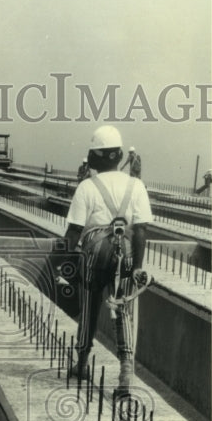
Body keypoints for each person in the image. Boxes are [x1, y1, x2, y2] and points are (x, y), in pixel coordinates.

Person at [65, 125, 153, 399]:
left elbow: (74, 231)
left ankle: (81, 363)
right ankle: (126, 375)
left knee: (90, 305)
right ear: (118, 157)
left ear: (94, 158)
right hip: (125, 250)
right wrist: (137, 266)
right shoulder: (136, 185)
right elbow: (140, 230)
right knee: (123, 309)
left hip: (94, 252)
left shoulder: (86, 187)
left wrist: (65, 262)